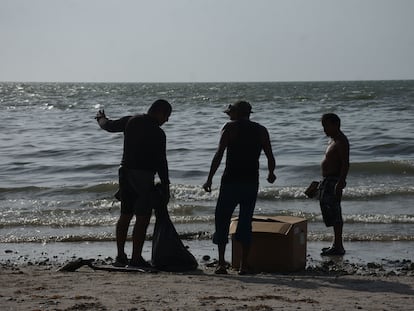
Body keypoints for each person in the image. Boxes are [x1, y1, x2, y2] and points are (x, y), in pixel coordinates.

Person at [95, 99, 172, 267]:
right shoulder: (158, 133)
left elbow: (108, 126)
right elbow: (161, 161)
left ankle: (120, 256)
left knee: (125, 215)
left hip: (125, 174)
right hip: (143, 177)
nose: (167, 120)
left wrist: (100, 118)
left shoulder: (131, 120)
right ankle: (136, 258)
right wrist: (166, 185)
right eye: (167, 116)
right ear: (159, 112)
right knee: (143, 218)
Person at [203, 100, 276, 275]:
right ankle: (244, 265)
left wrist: (209, 179)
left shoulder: (229, 128)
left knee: (222, 220)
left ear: (236, 113)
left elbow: (219, 154)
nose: (228, 116)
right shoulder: (261, 130)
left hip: (230, 181)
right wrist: (271, 173)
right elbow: (270, 155)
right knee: (245, 222)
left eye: (230, 113)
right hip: (251, 181)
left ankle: (221, 264)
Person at [319, 113, 349, 256]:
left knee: (336, 213)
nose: (324, 129)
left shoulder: (341, 141)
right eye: (323, 126)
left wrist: (340, 182)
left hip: (334, 181)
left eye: (326, 126)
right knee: (330, 212)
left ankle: (338, 246)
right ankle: (335, 244)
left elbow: (345, 163)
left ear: (335, 124)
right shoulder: (333, 140)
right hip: (328, 180)